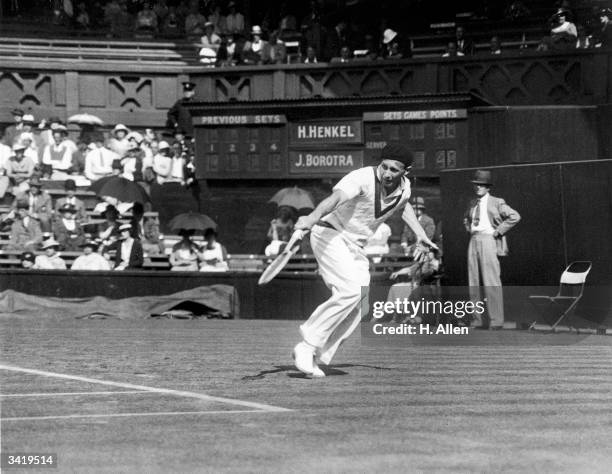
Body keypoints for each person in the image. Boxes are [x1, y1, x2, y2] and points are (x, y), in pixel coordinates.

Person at [291, 143, 438, 377]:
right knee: (350, 290)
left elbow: (404, 206)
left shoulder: (405, 189)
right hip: (330, 234)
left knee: (362, 302)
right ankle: (307, 345)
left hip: (355, 246)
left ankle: (318, 354)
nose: (387, 173)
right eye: (385, 167)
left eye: (394, 170)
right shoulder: (360, 178)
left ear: (405, 172)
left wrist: (421, 236)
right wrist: (312, 217)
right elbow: (336, 198)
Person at [463, 170, 520, 330]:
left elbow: (514, 216)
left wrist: (498, 231)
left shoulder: (497, 201)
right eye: (476, 185)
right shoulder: (472, 202)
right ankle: (477, 320)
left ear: (488, 187)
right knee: (473, 281)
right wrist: (469, 228)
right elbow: (466, 219)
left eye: (482, 185)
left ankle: (496, 320)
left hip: (489, 240)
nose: (478, 187)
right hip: (473, 240)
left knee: (491, 281)